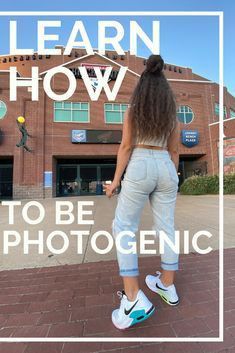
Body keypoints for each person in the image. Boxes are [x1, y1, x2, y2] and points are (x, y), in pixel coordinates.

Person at [104, 54, 180, 330]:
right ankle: (167, 285)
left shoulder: (134, 109)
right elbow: (175, 151)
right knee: (167, 228)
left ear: (143, 86)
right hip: (166, 164)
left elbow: (125, 147)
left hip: (140, 162)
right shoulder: (171, 112)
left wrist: (115, 182)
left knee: (123, 227)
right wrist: (170, 177)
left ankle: (134, 297)